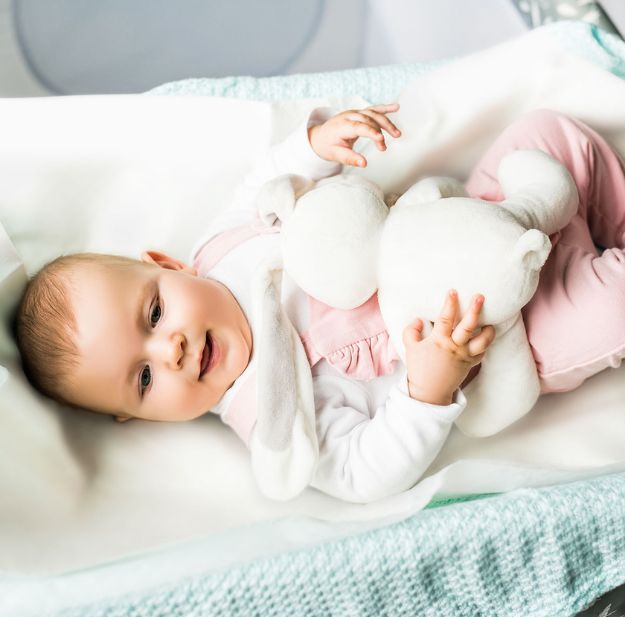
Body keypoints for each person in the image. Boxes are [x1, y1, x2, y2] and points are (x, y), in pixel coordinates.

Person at [12, 104, 625, 502]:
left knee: (544, 136)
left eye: (153, 314)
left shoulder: (222, 246)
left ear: (168, 266)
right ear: (141, 417)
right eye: (144, 379)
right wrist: (427, 391)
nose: (169, 349)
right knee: (608, 311)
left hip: (477, 213)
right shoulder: (272, 416)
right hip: (509, 331)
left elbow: (262, 181)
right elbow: (360, 472)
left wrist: (315, 146)